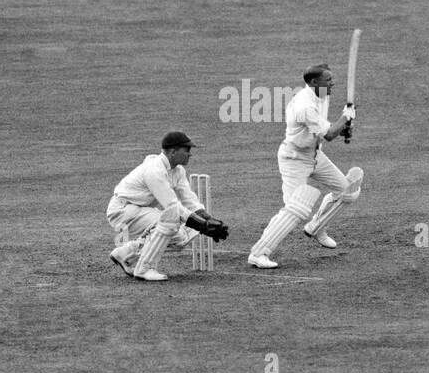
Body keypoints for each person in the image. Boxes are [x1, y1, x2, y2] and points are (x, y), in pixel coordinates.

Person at [247, 63, 362, 269]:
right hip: (294, 159)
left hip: (315, 155)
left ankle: (317, 227)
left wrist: (344, 128)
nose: (332, 83)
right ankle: (259, 253)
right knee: (295, 210)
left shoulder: (322, 94)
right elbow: (328, 134)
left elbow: (326, 129)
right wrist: (346, 116)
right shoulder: (304, 105)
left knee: (346, 191)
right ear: (313, 82)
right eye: (328, 80)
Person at [105, 131, 229, 282]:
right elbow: (172, 206)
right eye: (187, 150)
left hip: (139, 210)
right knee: (171, 220)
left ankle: (126, 253)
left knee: (180, 237)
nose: (190, 155)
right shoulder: (154, 170)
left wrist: (209, 219)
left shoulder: (178, 170)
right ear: (173, 151)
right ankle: (144, 269)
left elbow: (189, 199)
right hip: (122, 211)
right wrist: (202, 226)